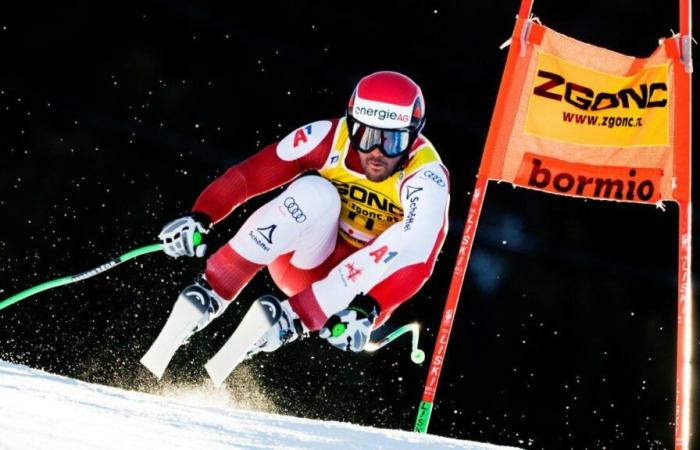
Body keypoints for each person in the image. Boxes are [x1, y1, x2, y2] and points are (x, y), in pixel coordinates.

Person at [158, 71, 450, 356]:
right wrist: (201, 215)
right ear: (351, 126)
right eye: (365, 135)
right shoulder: (329, 137)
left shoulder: (426, 176)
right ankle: (214, 289)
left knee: (406, 236)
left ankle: (291, 321)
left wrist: (369, 307)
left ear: (413, 137)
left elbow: (419, 257)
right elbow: (250, 175)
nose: (377, 153)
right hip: (304, 261)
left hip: (353, 301)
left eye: (392, 142)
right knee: (315, 191)